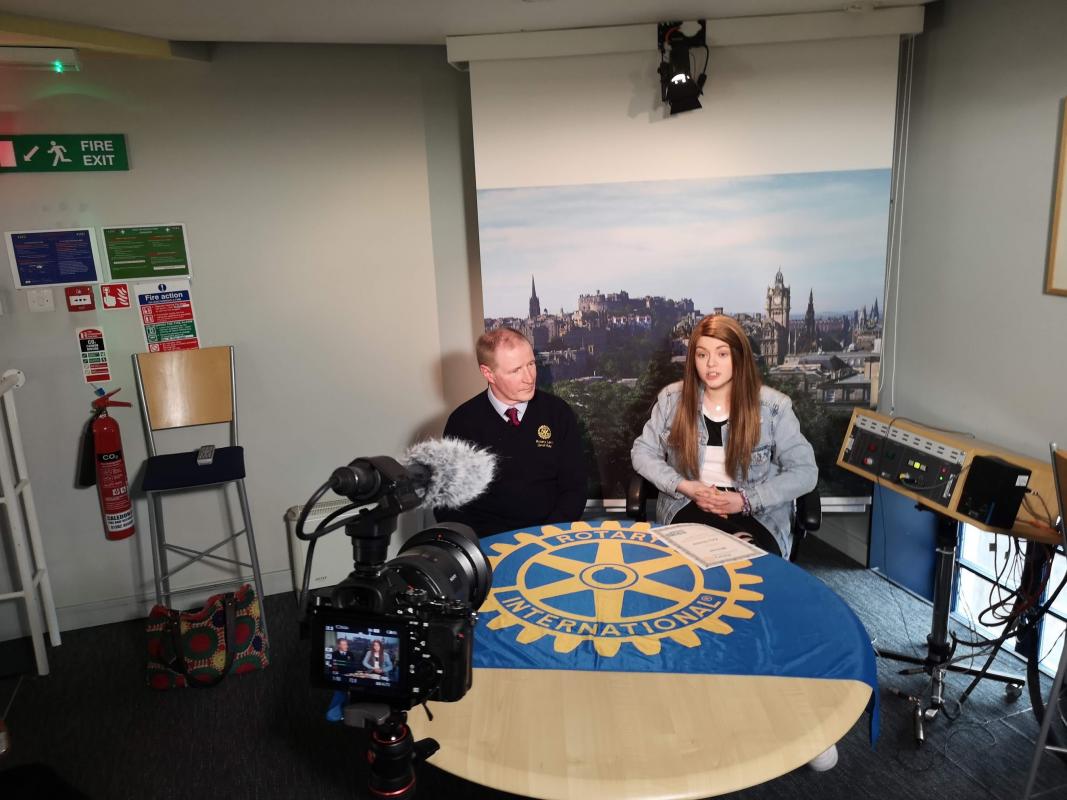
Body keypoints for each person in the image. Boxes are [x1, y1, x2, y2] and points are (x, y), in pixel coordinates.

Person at [630, 314, 817, 558]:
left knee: (748, 562)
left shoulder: (774, 407)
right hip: (688, 503)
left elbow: (805, 472)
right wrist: (686, 487)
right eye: (702, 355)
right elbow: (642, 452)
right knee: (703, 557)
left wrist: (745, 500)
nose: (711, 364)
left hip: (757, 511)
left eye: (722, 354)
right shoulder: (671, 399)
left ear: (738, 357)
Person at [436, 327, 587, 536]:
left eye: (531, 364)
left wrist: (545, 536)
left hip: (551, 538)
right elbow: (448, 505)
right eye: (516, 370)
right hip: (488, 543)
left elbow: (575, 489)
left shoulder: (558, 413)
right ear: (488, 373)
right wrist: (498, 542)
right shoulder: (463, 422)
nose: (529, 378)